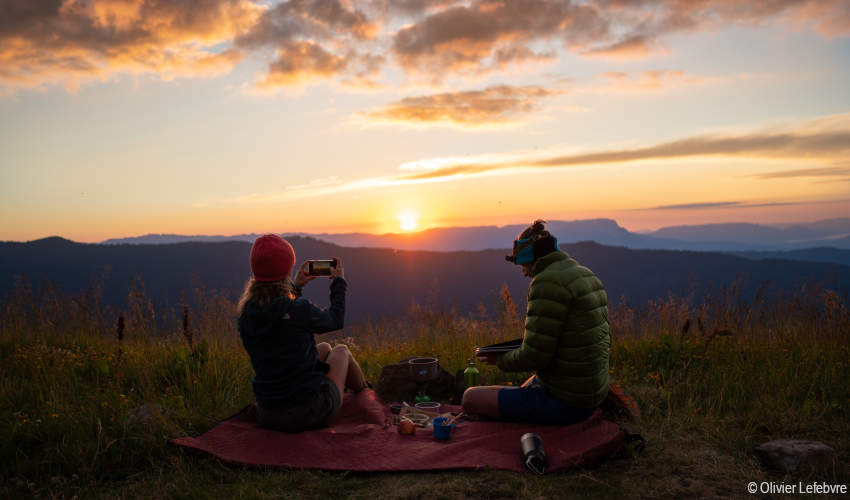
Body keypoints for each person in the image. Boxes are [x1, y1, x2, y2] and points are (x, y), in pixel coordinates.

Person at [462, 220, 610, 425]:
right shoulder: (585, 274)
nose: (523, 271)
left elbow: (536, 357)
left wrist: (501, 360)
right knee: (526, 386)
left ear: (531, 257)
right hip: (592, 394)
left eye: (522, 264)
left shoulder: (546, 281)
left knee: (471, 397)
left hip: (567, 403)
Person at [236, 234, 367, 432]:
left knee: (323, 348)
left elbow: (277, 313)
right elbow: (335, 320)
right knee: (341, 351)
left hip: (268, 413)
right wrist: (338, 282)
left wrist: (296, 288)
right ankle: (369, 396)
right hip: (309, 412)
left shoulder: (247, 314)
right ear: (286, 270)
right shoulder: (297, 310)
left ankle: (361, 392)